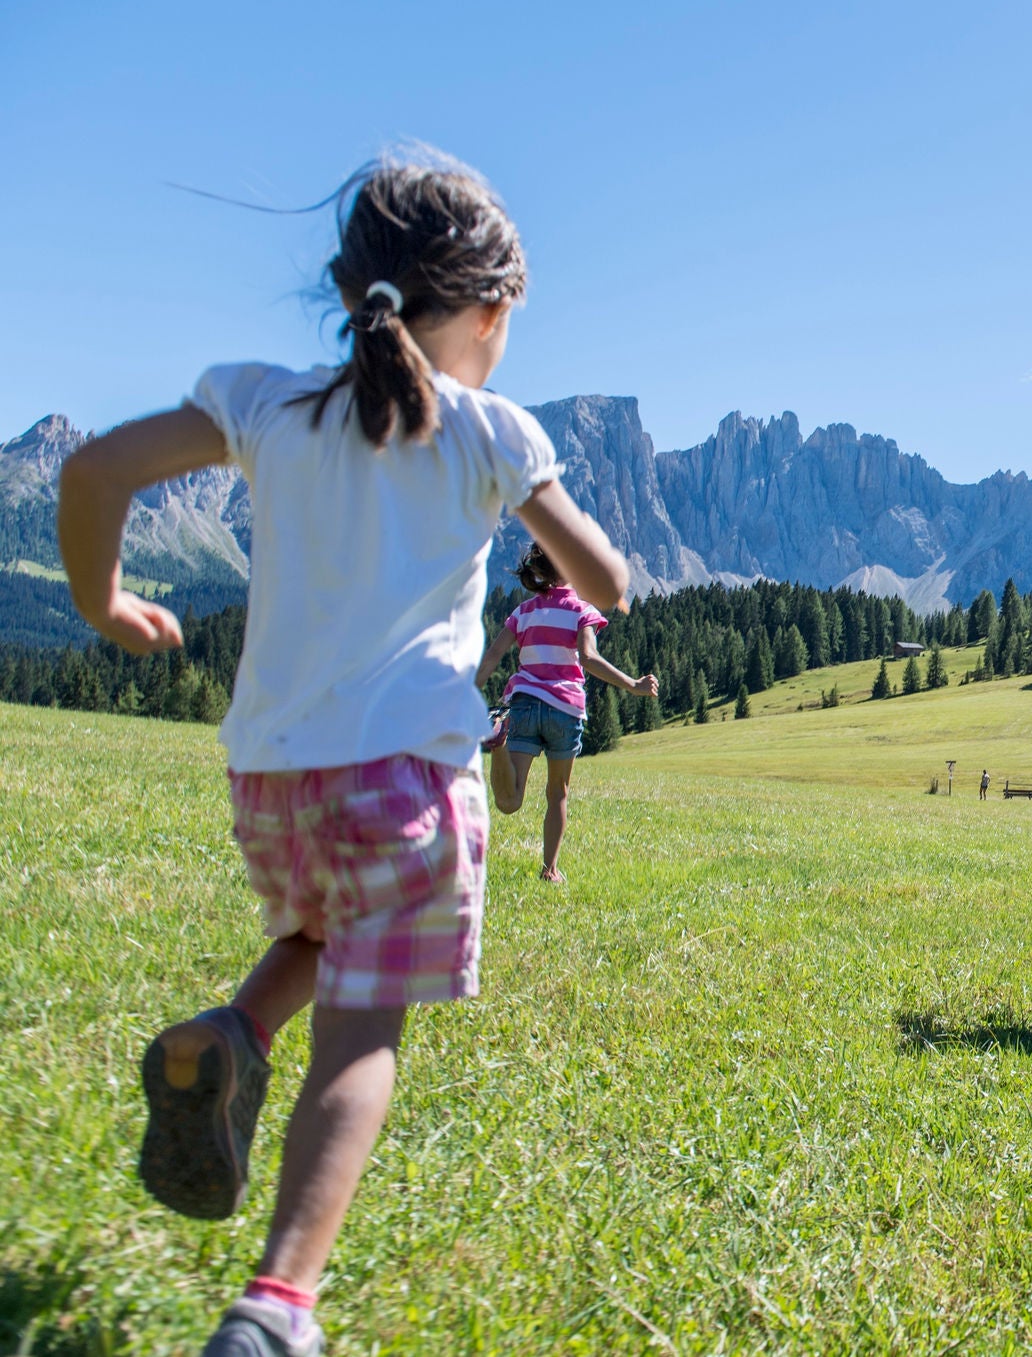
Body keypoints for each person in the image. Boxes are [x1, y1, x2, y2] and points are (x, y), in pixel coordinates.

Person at [56, 151, 631, 1357]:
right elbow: (605, 578)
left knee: (322, 932)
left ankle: (229, 1036)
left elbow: (94, 468)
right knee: (365, 1031)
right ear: (487, 313)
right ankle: (278, 1309)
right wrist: (588, 569)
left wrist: (106, 604)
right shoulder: (490, 430)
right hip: (411, 779)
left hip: (272, 776)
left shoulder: (266, 402)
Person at [477, 542, 657, 881]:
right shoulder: (580, 610)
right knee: (557, 793)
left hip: (525, 704)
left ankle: (498, 745)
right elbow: (588, 659)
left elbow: (492, 655)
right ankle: (550, 870)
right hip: (565, 709)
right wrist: (633, 684)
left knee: (510, 800)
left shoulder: (524, 612)